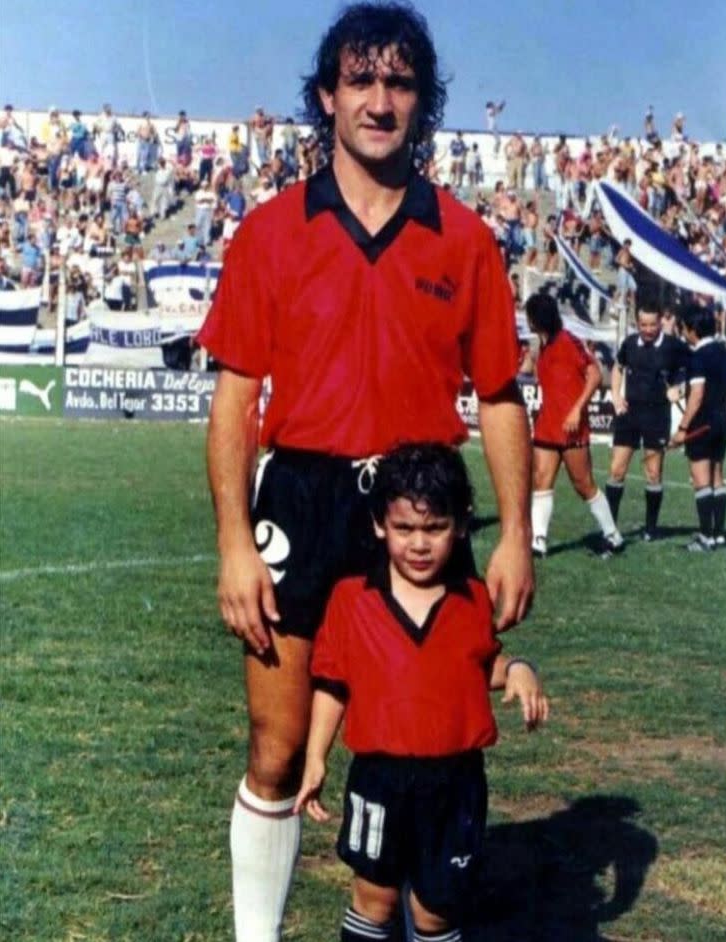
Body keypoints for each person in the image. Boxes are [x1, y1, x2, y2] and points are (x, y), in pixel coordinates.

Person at [197, 4, 534, 940]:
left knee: (431, 747)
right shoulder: (271, 232)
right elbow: (235, 398)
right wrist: (233, 542)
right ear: (327, 96)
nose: (380, 101)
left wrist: (515, 533)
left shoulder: (464, 238)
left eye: (400, 83)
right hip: (300, 499)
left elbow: (502, 393)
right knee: (275, 749)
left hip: (417, 509)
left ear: (422, 103)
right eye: (362, 80)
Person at [293, 442, 548, 942]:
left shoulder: (472, 599)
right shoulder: (352, 599)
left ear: (459, 525)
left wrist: (516, 667)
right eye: (405, 528)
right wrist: (316, 757)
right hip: (380, 779)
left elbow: (478, 664)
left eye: (433, 528)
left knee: (436, 911)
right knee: (374, 900)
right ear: (379, 525)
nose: (418, 544)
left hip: (455, 782)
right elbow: (332, 682)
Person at [525, 292, 623, 559]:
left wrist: (577, 410)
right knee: (541, 480)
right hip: (547, 424)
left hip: (571, 426)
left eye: (530, 316)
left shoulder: (568, 341)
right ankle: (539, 541)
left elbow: (594, 373)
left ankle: (613, 535)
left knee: (583, 484)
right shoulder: (541, 347)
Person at [605, 298, 688, 541]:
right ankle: (610, 528)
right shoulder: (629, 344)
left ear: (661, 321)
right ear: (637, 322)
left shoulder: (673, 346)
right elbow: (618, 367)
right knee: (616, 470)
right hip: (629, 415)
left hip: (657, 415)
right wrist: (616, 397)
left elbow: (693, 371)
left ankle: (651, 529)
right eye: (643, 324)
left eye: (652, 324)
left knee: (653, 473)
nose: (648, 329)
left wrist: (679, 390)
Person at [670, 303, 726, 552]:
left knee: (701, 478)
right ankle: (718, 534)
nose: (683, 332)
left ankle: (705, 537)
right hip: (722, 419)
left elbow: (697, 395)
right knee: (717, 475)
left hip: (702, 422)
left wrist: (683, 428)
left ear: (692, 329)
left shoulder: (698, 356)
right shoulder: (724, 352)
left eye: (684, 327)